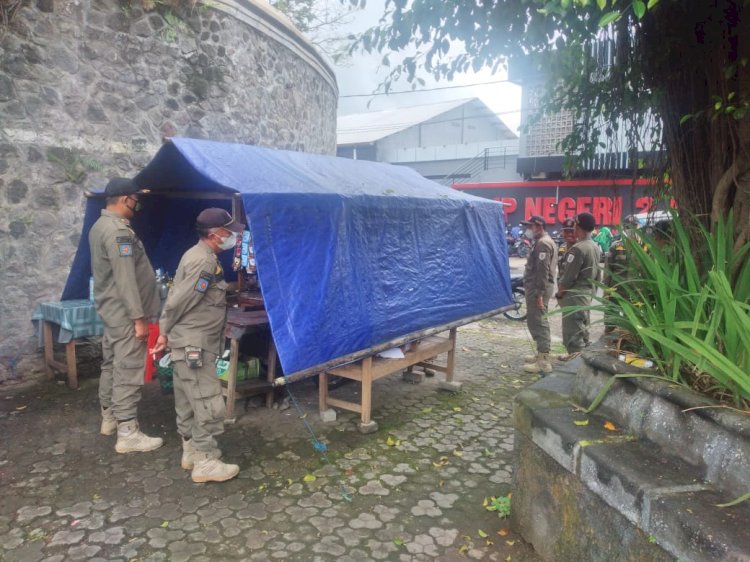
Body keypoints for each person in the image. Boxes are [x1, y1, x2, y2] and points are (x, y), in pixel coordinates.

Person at [150, 208, 244, 483]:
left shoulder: (199, 255)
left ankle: (190, 451)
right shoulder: (202, 262)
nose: (232, 236)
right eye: (229, 231)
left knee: (188, 401)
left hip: (187, 343)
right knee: (206, 401)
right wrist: (163, 332)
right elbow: (180, 300)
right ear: (216, 235)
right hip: (195, 344)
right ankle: (206, 461)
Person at [89, 177, 163, 453]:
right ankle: (128, 432)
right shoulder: (119, 232)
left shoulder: (100, 226)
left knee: (110, 365)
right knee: (128, 369)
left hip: (112, 312)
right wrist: (138, 319)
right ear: (124, 199)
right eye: (135, 198)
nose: (137, 204)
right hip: (126, 315)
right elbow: (125, 278)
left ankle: (109, 417)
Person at [555, 212, 601, 361]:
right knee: (582, 329)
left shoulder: (578, 248)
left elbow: (568, 277)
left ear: (578, 226)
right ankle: (575, 358)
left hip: (574, 296)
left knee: (573, 334)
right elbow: (597, 274)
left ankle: (574, 366)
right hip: (586, 293)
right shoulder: (594, 246)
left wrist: (560, 293)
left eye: (574, 225)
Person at [521, 215, 557, 374]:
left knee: (539, 321)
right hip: (537, 287)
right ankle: (540, 354)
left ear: (538, 226)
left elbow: (543, 271)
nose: (527, 229)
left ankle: (543, 361)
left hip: (538, 288)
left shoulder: (543, 243)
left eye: (530, 226)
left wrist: (540, 294)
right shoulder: (542, 241)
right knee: (535, 319)